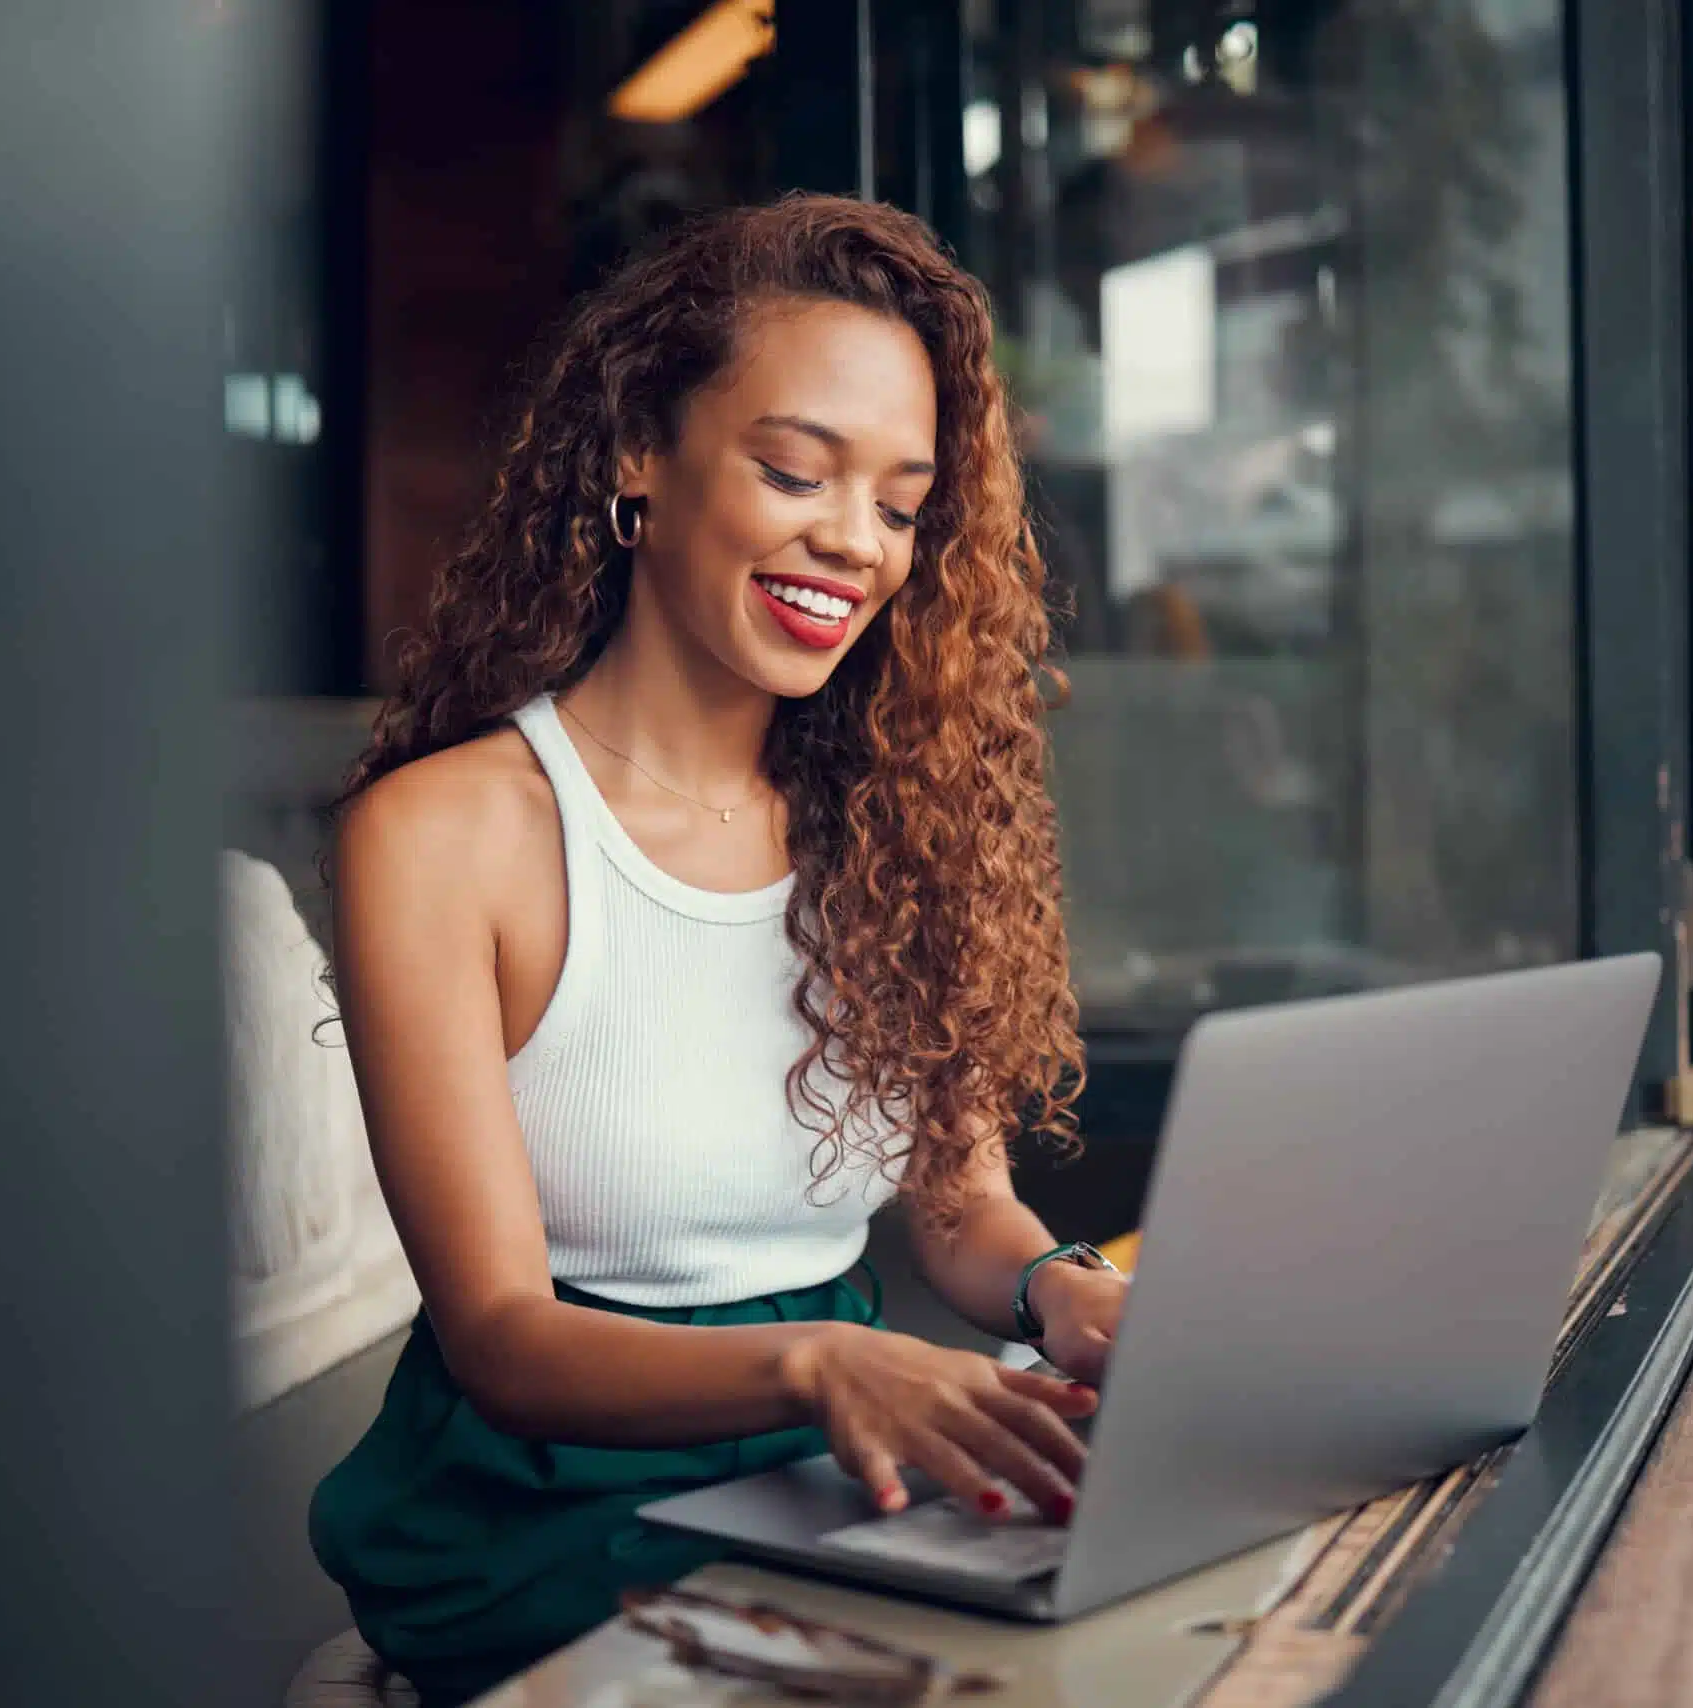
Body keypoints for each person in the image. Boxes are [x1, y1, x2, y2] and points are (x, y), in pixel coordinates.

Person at [307, 195, 1129, 1705]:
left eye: (900, 505)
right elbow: (500, 1338)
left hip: (832, 1474)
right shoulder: (445, 836)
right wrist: (823, 1361)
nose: (853, 544)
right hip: (540, 1505)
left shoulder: (897, 819)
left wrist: (1059, 1295)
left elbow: (960, 1212)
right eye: (794, 471)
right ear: (640, 453)